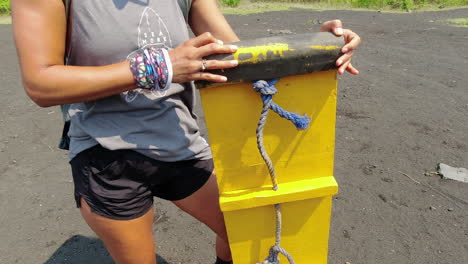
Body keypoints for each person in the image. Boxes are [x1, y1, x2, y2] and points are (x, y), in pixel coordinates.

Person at [11, 0, 361, 263]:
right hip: (107, 156)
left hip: (179, 141)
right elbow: (41, 83)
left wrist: (318, 48)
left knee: (246, 233)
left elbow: (235, 54)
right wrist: (160, 66)